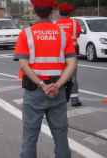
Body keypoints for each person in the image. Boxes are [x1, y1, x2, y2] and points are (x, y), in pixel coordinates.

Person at [14, 0, 77, 157]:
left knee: (30, 137)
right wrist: (57, 84)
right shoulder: (63, 35)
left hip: (34, 92)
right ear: (52, 12)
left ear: (35, 11)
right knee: (61, 137)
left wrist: (42, 84)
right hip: (58, 92)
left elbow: (23, 64)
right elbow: (72, 63)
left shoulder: (26, 34)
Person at [56, 2, 82, 107]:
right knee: (73, 76)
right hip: (72, 51)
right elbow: (78, 34)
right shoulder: (75, 23)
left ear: (59, 12)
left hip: (59, 52)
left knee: (60, 75)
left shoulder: (56, 24)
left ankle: (60, 98)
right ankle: (74, 99)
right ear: (70, 12)